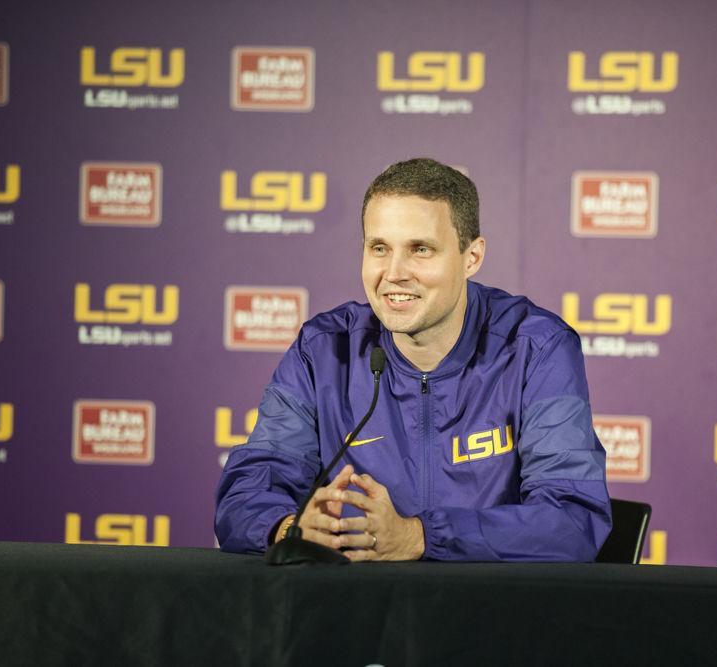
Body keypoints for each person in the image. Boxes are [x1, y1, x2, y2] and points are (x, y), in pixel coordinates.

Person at [215, 158, 611, 561]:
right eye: (379, 248)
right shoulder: (323, 350)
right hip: (360, 613)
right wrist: (292, 529)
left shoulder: (536, 349)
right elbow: (246, 494)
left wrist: (420, 537)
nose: (394, 273)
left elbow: (572, 520)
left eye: (420, 250)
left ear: (471, 257)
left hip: (495, 613)